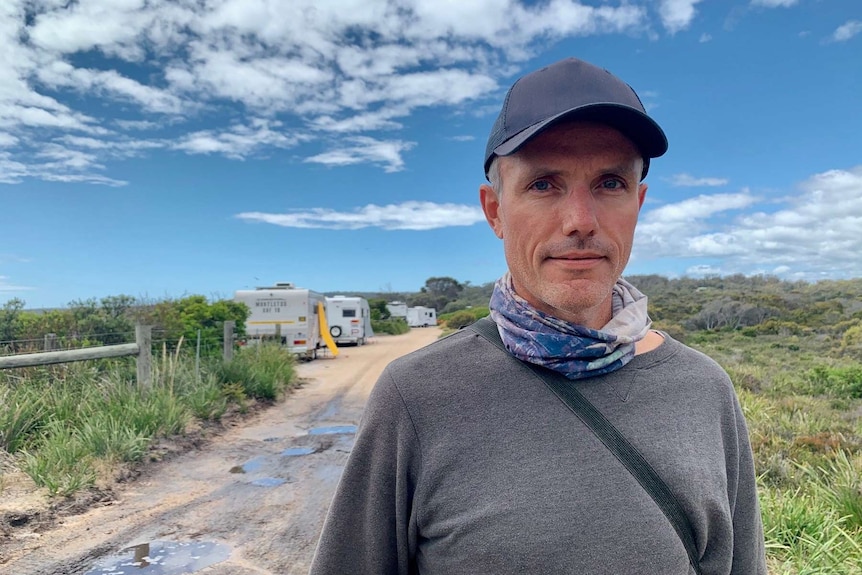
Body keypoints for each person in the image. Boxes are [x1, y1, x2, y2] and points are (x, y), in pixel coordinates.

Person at [308, 57, 767, 575]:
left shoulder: (704, 390)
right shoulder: (416, 397)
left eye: (610, 183)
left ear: (639, 202)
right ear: (495, 211)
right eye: (544, 184)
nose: (579, 221)